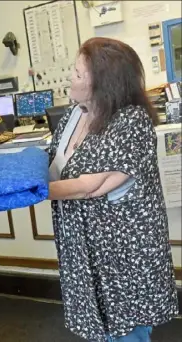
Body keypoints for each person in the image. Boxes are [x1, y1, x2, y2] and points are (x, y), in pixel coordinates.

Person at [47, 37, 178, 342]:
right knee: (100, 331)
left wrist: (27, 190)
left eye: (78, 73)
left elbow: (89, 186)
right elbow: (54, 165)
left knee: (126, 334)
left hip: (124, 259)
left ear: (103, 83)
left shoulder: (133, 123)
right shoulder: (74, 114)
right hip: (84, 251)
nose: (71, 77)